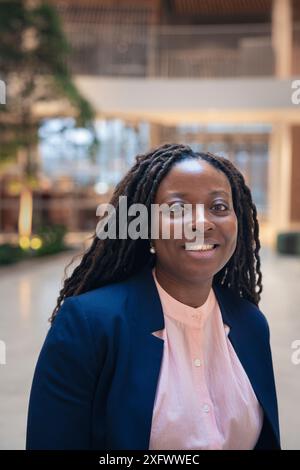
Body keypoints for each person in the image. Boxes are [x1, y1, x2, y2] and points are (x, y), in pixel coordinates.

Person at [26, 143, 280, 450]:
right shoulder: (89, 324)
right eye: (176, 209)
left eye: (218, 207)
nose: (202, 223)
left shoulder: (250, 323)